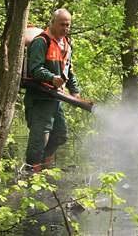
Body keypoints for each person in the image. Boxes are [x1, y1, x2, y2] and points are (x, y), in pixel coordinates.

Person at [24, 9, 81, 172]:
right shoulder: (41, 42)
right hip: (39, 98)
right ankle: (30, 174)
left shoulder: (67, 44)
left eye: (68, 25)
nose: (65, 28)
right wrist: (52, 78)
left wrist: (74, 90)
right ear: (53, 23)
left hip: (56, 99)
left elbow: (69, 71)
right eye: (62, 24)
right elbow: (35, 68)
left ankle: (43, 166)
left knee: (60, 135)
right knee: (39, 138)